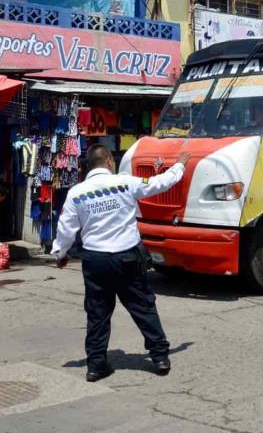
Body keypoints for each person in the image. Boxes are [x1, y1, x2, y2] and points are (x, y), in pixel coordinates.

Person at [51, 144, 191, 382]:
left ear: (89, 165)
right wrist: (180, 164)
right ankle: (159, 357)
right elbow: (160, 183)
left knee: (97, 313)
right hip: (127, 257)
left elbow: (66, 229)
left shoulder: (77, 192)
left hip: (95, 261)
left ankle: (95, 365)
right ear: (108, 161)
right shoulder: (125, 183)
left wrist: (60, 254)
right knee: (143, 306)